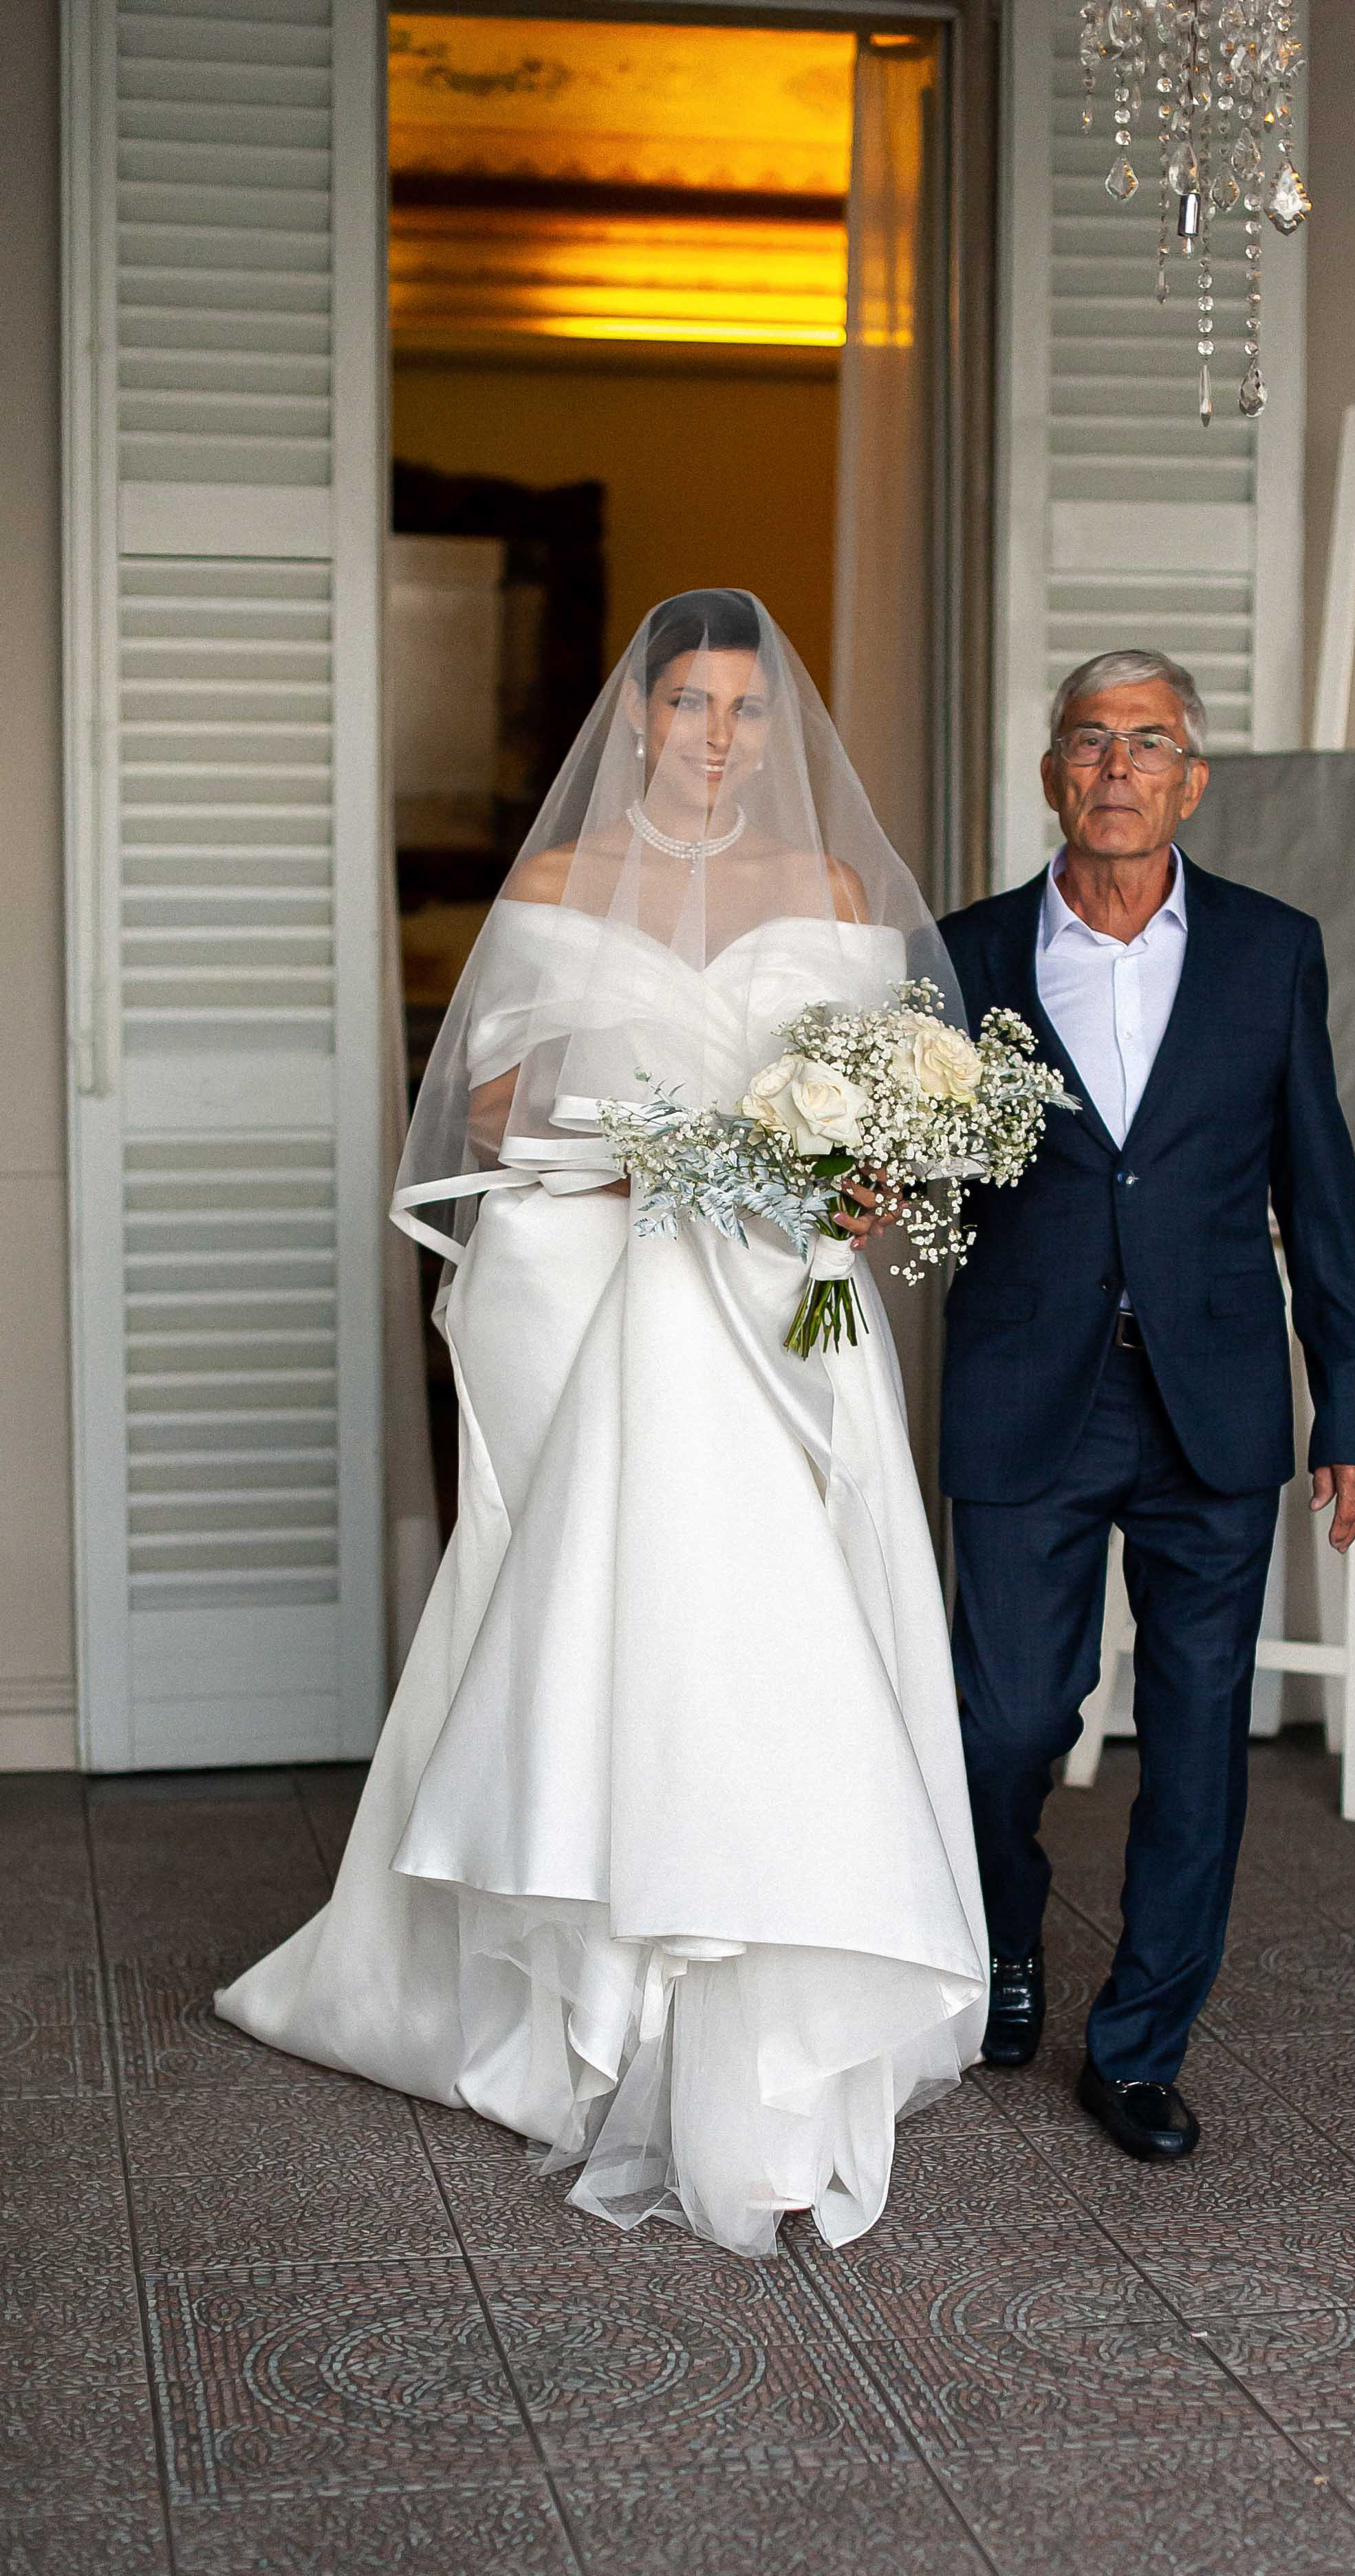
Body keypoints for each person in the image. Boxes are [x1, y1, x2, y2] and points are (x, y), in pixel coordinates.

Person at [216, 592, 988, 2258]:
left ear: (780, 732)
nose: (718, 736)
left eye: (747, 711)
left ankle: (773, 1945)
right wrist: (619, 1120)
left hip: (776, 1289)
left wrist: (854, 1180)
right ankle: (562, 1978)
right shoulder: (560, 884)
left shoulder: (834, 889)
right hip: (582, 1273)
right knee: (572, 1602)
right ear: (636, 717)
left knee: (770, 1610)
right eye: (690, 705)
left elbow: (895, 1106)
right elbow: (487, 1102)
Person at [938, 648, 1355, 2163]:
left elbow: (1314, 1191)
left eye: (1150, 743)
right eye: (1089, 741)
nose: (1118, 766)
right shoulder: (965, 956)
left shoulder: (1272, 951)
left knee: (1198, 1737)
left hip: (1213, 1396)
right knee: (1004, 1724)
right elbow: (924, 1176)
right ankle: (1005, 1946)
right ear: (1051, 773)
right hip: (1026, 1392)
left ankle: (1138, 2045)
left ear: (1190, 781)